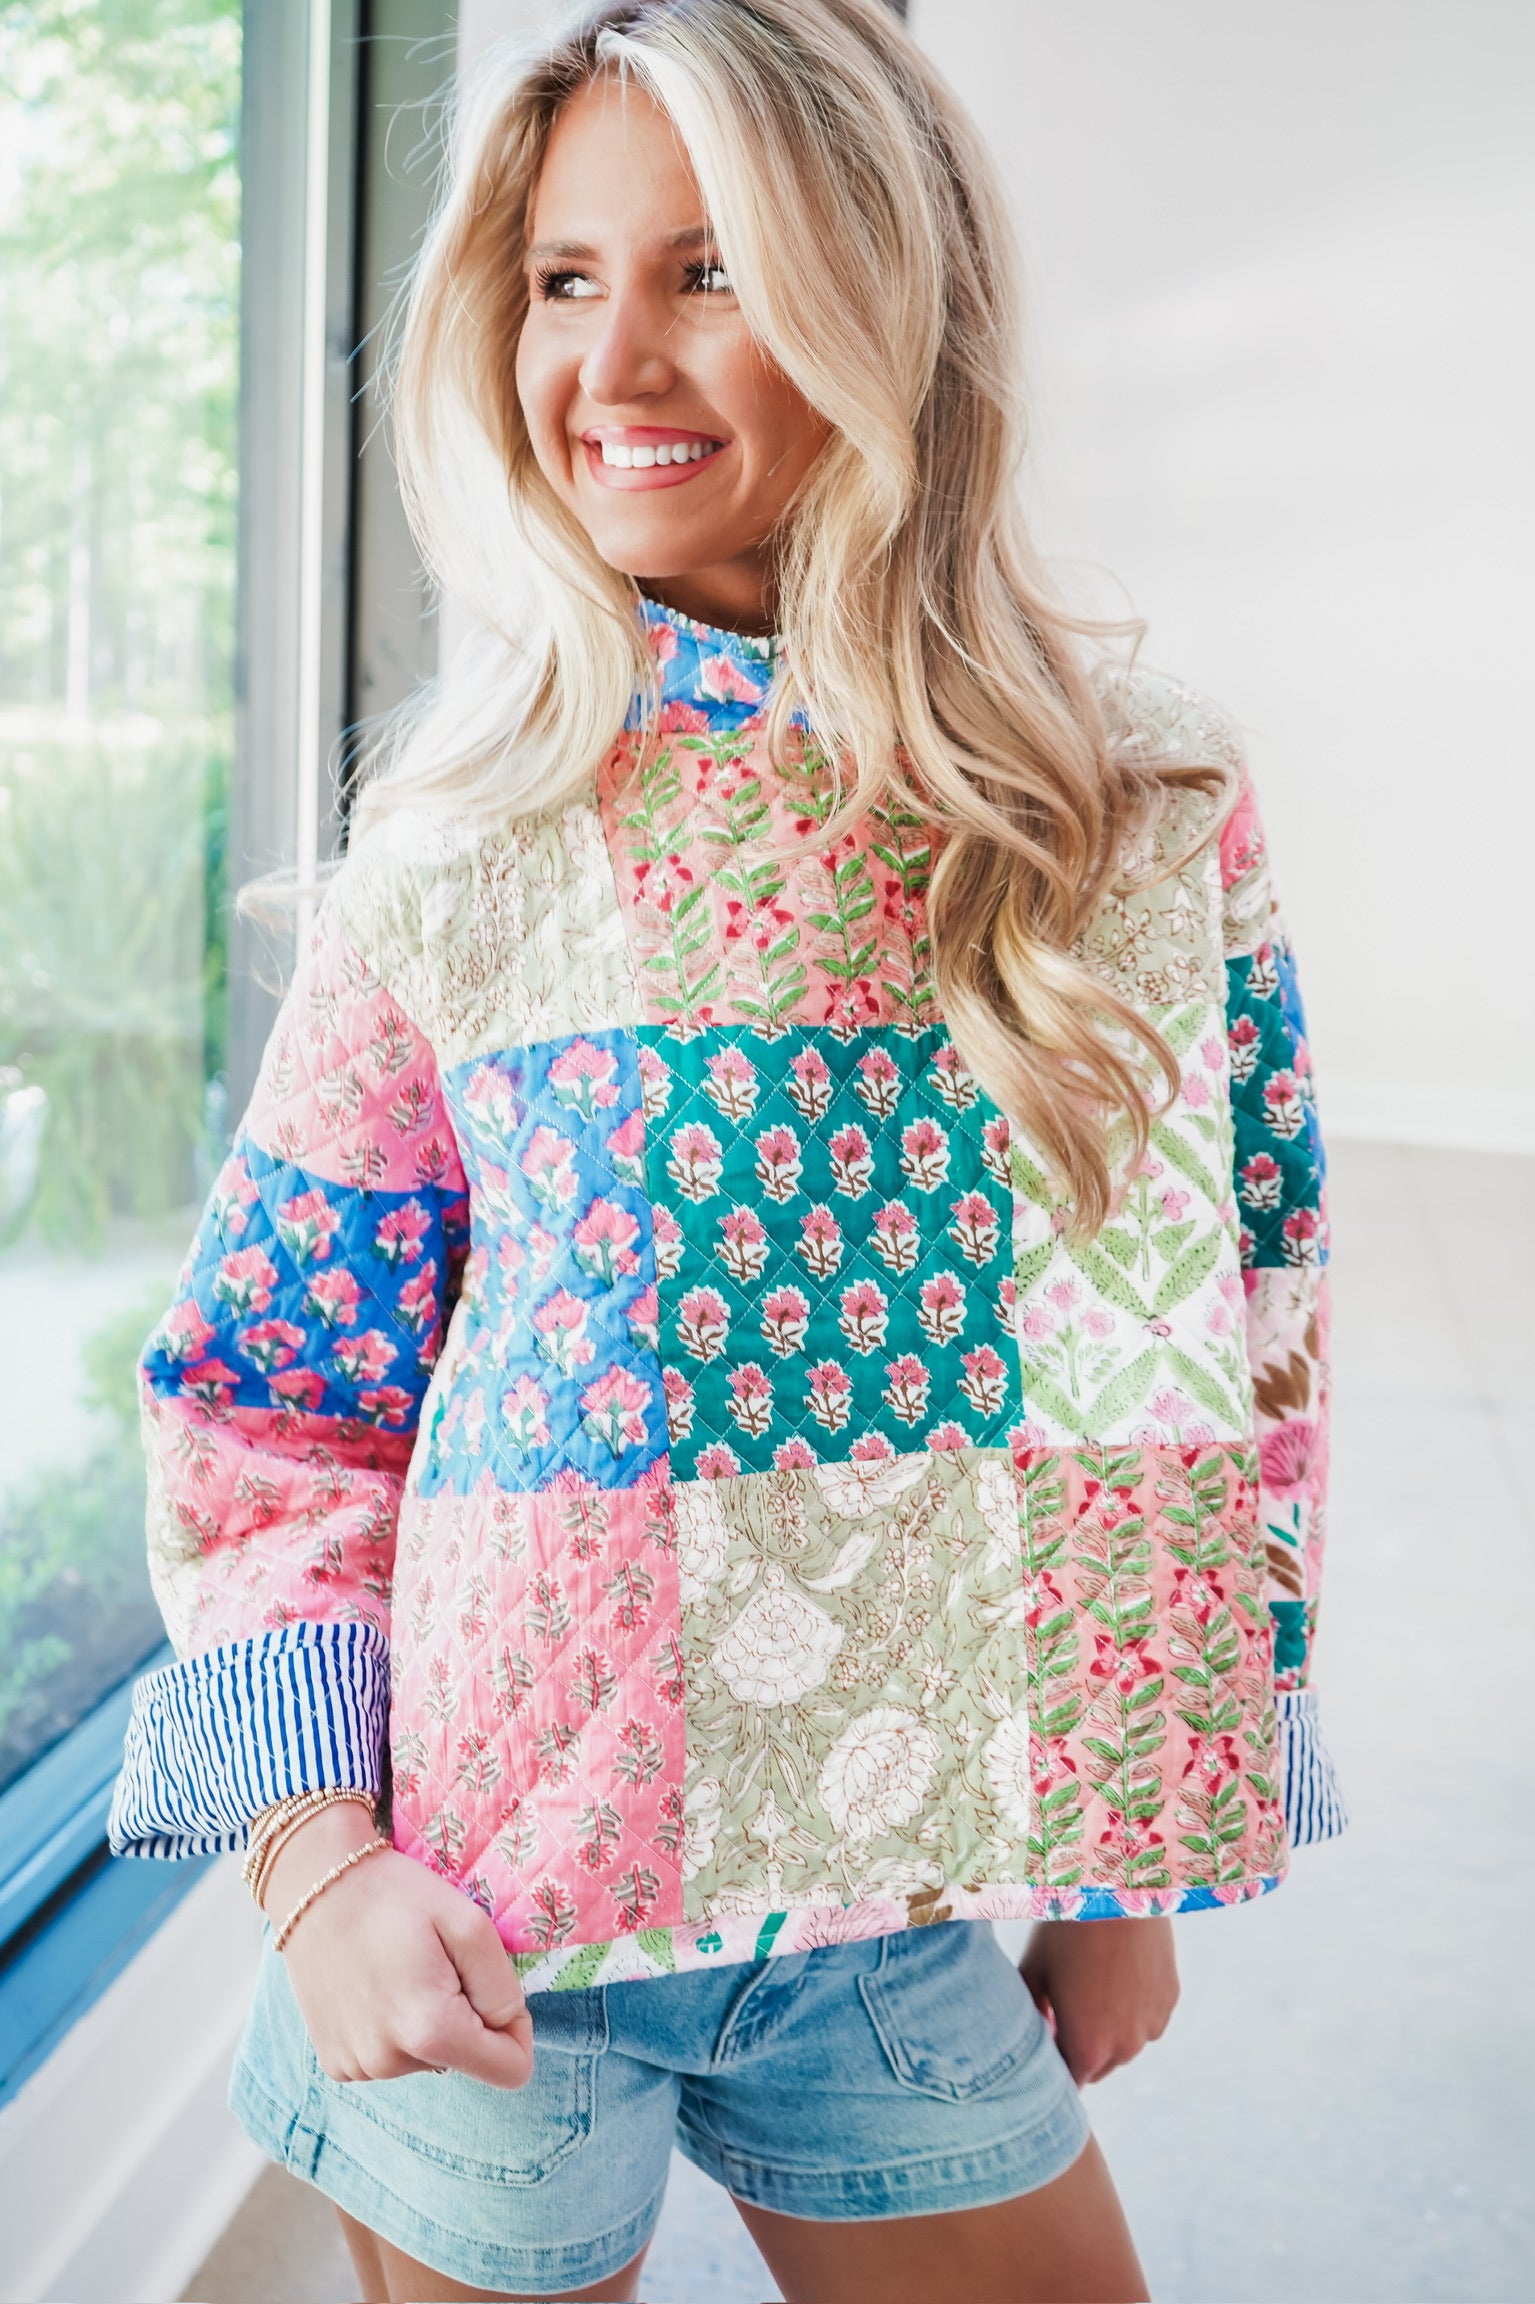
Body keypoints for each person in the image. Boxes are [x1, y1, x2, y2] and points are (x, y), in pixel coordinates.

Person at [110, 3, 1344, 2297]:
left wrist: (1136, 1835)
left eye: (711, 271)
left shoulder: (1140, 809)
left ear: (893, 307)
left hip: (893, 1909)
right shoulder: (461, 844)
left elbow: (1225, 1324)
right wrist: (315, 1866)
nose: (611, 362)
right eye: (563, 279)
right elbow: (271, 1410)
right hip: (491, 1926)